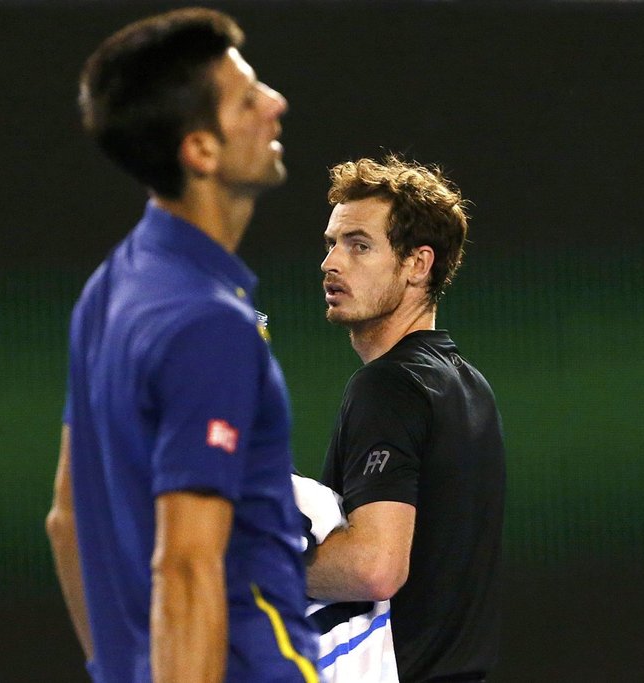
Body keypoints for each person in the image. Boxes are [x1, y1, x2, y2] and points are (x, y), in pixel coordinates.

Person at [44, 8, 318, 682]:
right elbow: (189, 563)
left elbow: (67, 520)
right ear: (201, 151)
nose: (276, 105)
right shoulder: (209, 326)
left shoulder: (109, 289)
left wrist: (119, 668)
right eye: (249, 98)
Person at [306, 156, 507, 682]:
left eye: (359, 245)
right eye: (332, 242)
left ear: (418, 264)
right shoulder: (470, 386)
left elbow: (375, 566)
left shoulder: (388, 386)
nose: (331, 262)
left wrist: (246, 569)